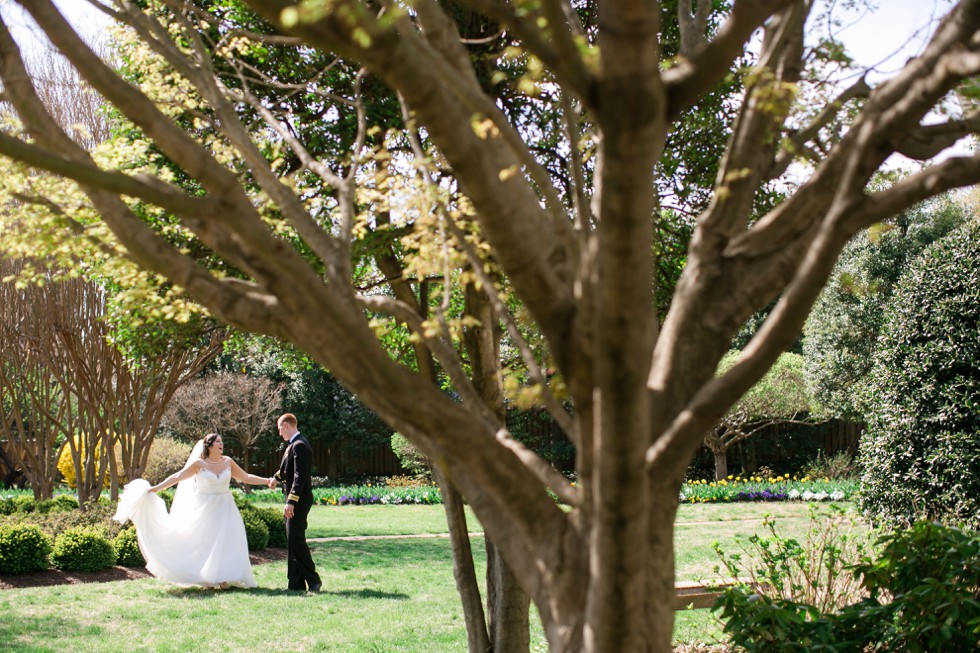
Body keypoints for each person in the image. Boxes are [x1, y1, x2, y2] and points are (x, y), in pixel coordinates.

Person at [113, 433, 275, 589]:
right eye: (218, 442)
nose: (221, 444)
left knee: (228, 541)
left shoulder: (228, 462)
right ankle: (208, 576)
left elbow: (246, 477)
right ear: (209, 446)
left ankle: (224, 577)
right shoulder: (199, 464)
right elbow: (177, 477)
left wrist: (267, 481)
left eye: (221, 442)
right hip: (205, 509)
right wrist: (156, 488)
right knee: (206, 542)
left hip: (226, 507)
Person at [270, 413, 321, 593]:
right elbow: (287, 469)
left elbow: (300, 477)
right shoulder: (294, 444)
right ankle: (295, 584)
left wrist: (291, 501)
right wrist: (275, 479)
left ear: (286, 425)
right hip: (294, 499)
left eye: (279, 429)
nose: (279, 433)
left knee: (296, 539)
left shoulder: (299, 445)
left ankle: (314, 581)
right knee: (292, 541)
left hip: (298, 500)